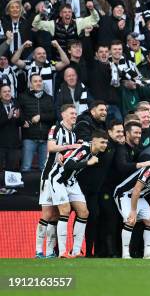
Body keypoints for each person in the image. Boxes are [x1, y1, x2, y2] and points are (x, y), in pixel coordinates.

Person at [47, 129, 109, 257]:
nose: (104, 145)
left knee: (84, 212)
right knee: (65, 211)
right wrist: (88, 162)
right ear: (94, 141)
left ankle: (76, 251)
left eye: (106, 143)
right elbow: (68, 165)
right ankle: (63, 252)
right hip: (58, 179)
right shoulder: (85, 150)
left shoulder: (94, 152)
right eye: (102, 142)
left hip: (71, 181)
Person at [35, 104, 80, 258]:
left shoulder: (73, 133)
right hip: (48, 176)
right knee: (47, 214)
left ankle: (49, 252)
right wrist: (71, 147)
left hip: (61, 179)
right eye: (71, 113)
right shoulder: (56, 129)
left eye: (75, 113)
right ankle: (38, 250)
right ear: (63, 115)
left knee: (55, 215)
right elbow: (50, 147)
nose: (74, 115)